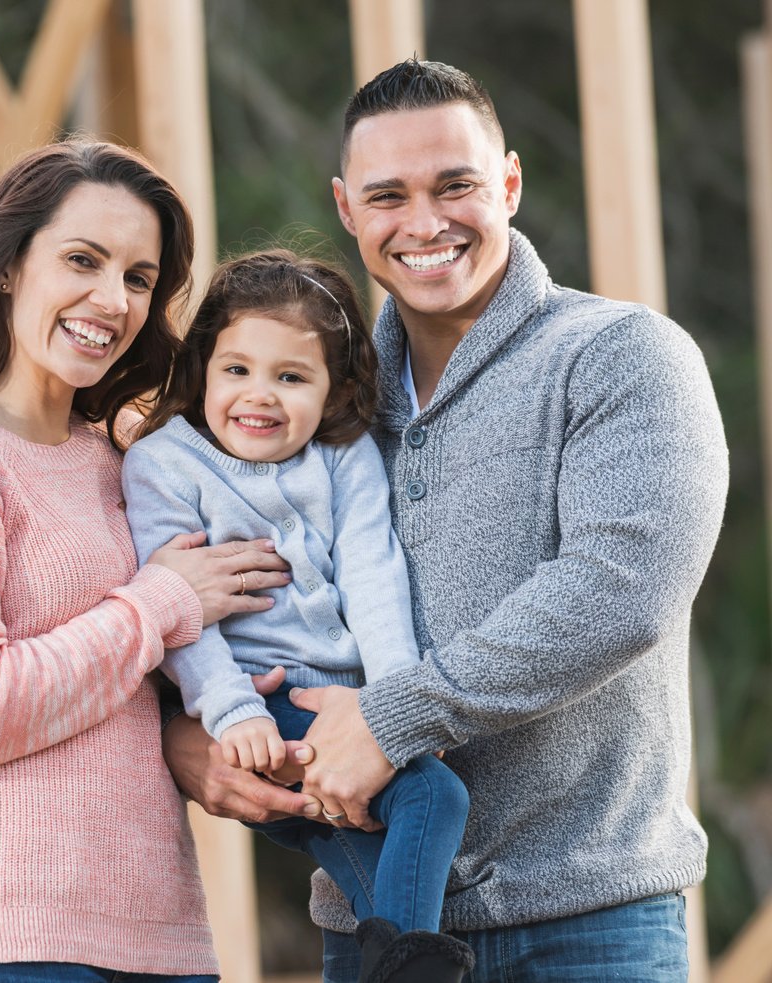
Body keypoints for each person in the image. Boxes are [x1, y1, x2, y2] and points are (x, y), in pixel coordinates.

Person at [161, 59, 728, 983]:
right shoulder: (313, 405)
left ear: (508, 181)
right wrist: (187, 741)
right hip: (371, 923)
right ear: (348, 210)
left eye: (455, 185)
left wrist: (393, 716)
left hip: (587, 923)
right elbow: (207, 580)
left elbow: (621, 592)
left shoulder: (623, 356)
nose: (424, 224)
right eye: (389, 195)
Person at [0, 139, 302, 983]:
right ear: (7, 267)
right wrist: (161, 601)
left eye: (138, 277)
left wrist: (209, 720)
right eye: (83, 260)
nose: (112, 298)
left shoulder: (124, 462)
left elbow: (122, 692)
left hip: (158, 942)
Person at [123, 248, 474, 979]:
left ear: (334, 390)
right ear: (203, 369)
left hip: (346, 705)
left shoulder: (341, 455)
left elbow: (373, 574)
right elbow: (181, 613)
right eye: (238, 369)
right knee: (429, 800)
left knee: (411, 827)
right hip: (259, 706)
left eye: (291, 377)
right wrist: (230, 712)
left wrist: (397, 703)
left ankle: (404, 967)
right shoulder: (164, 463)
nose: (260, 395)